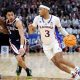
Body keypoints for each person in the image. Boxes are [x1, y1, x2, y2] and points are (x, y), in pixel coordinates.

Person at [28, 2, 80, 79]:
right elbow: (31, 32)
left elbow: (60, 29)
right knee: (56, 63)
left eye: (40, 9)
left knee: (59, 59)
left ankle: (77, 68)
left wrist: (67, 35)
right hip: (45, 45)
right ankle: (73, 74)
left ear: (46, 10)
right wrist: (30, 29)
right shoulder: (37, 18)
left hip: (55, 42)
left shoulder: (55, 19)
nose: (39, 11)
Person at [2, 7, 32, 77]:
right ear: (6, 16)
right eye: (9, 15)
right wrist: (1, 30)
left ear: (14, 15)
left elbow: (22, 35)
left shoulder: (18, 22)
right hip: (13, 42)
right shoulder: (6, 22)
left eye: (12, 15)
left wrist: (21, 47)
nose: (11, 16)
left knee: (22, 58)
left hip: (21, 41)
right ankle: (28, 70)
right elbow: (7, 32)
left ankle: (19, 68)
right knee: (19, 58)